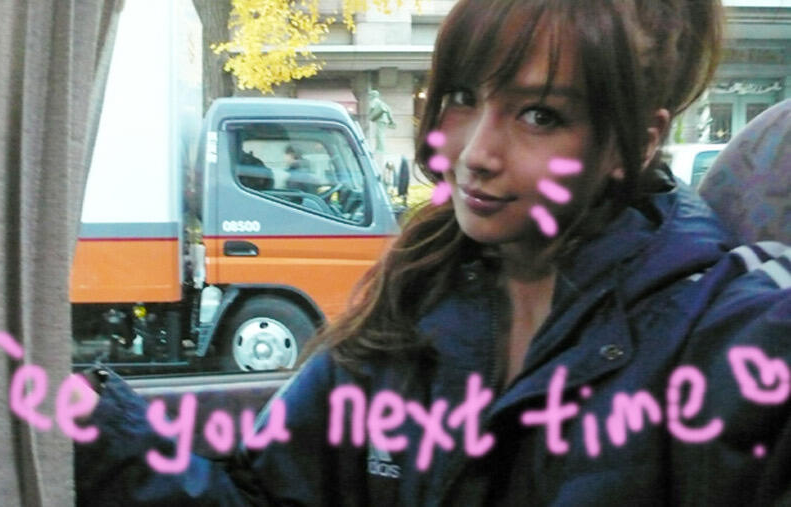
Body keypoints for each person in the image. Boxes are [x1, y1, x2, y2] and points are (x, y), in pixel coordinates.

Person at [76, 0, 791, 505]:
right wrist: (89, 422)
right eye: (462, 97)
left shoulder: (730, 332)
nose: (475, 152)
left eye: (539, 115)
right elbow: (273, 493)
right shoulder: (417, 291)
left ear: (632, 143)